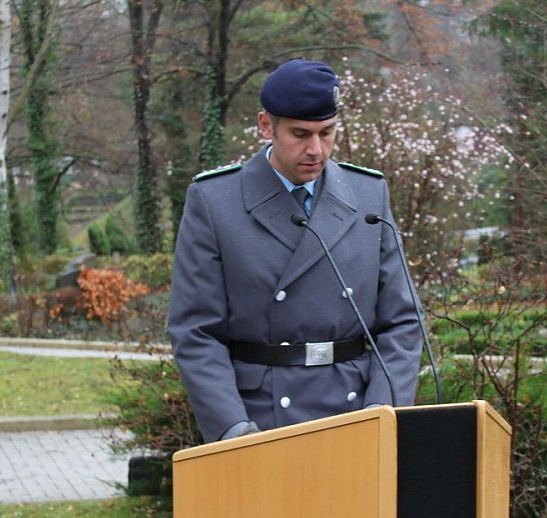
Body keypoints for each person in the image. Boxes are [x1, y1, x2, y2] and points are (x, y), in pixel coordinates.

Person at [168, 59, 423, 444]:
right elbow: (195, 331)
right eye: (300, 134)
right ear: (266, 126)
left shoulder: (369, 194)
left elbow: (403, 320)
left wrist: (382, 411)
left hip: (356, 416)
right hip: (260, 420)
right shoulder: (215, 201)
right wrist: (232, 427)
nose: (316, 150)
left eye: (327, 132)